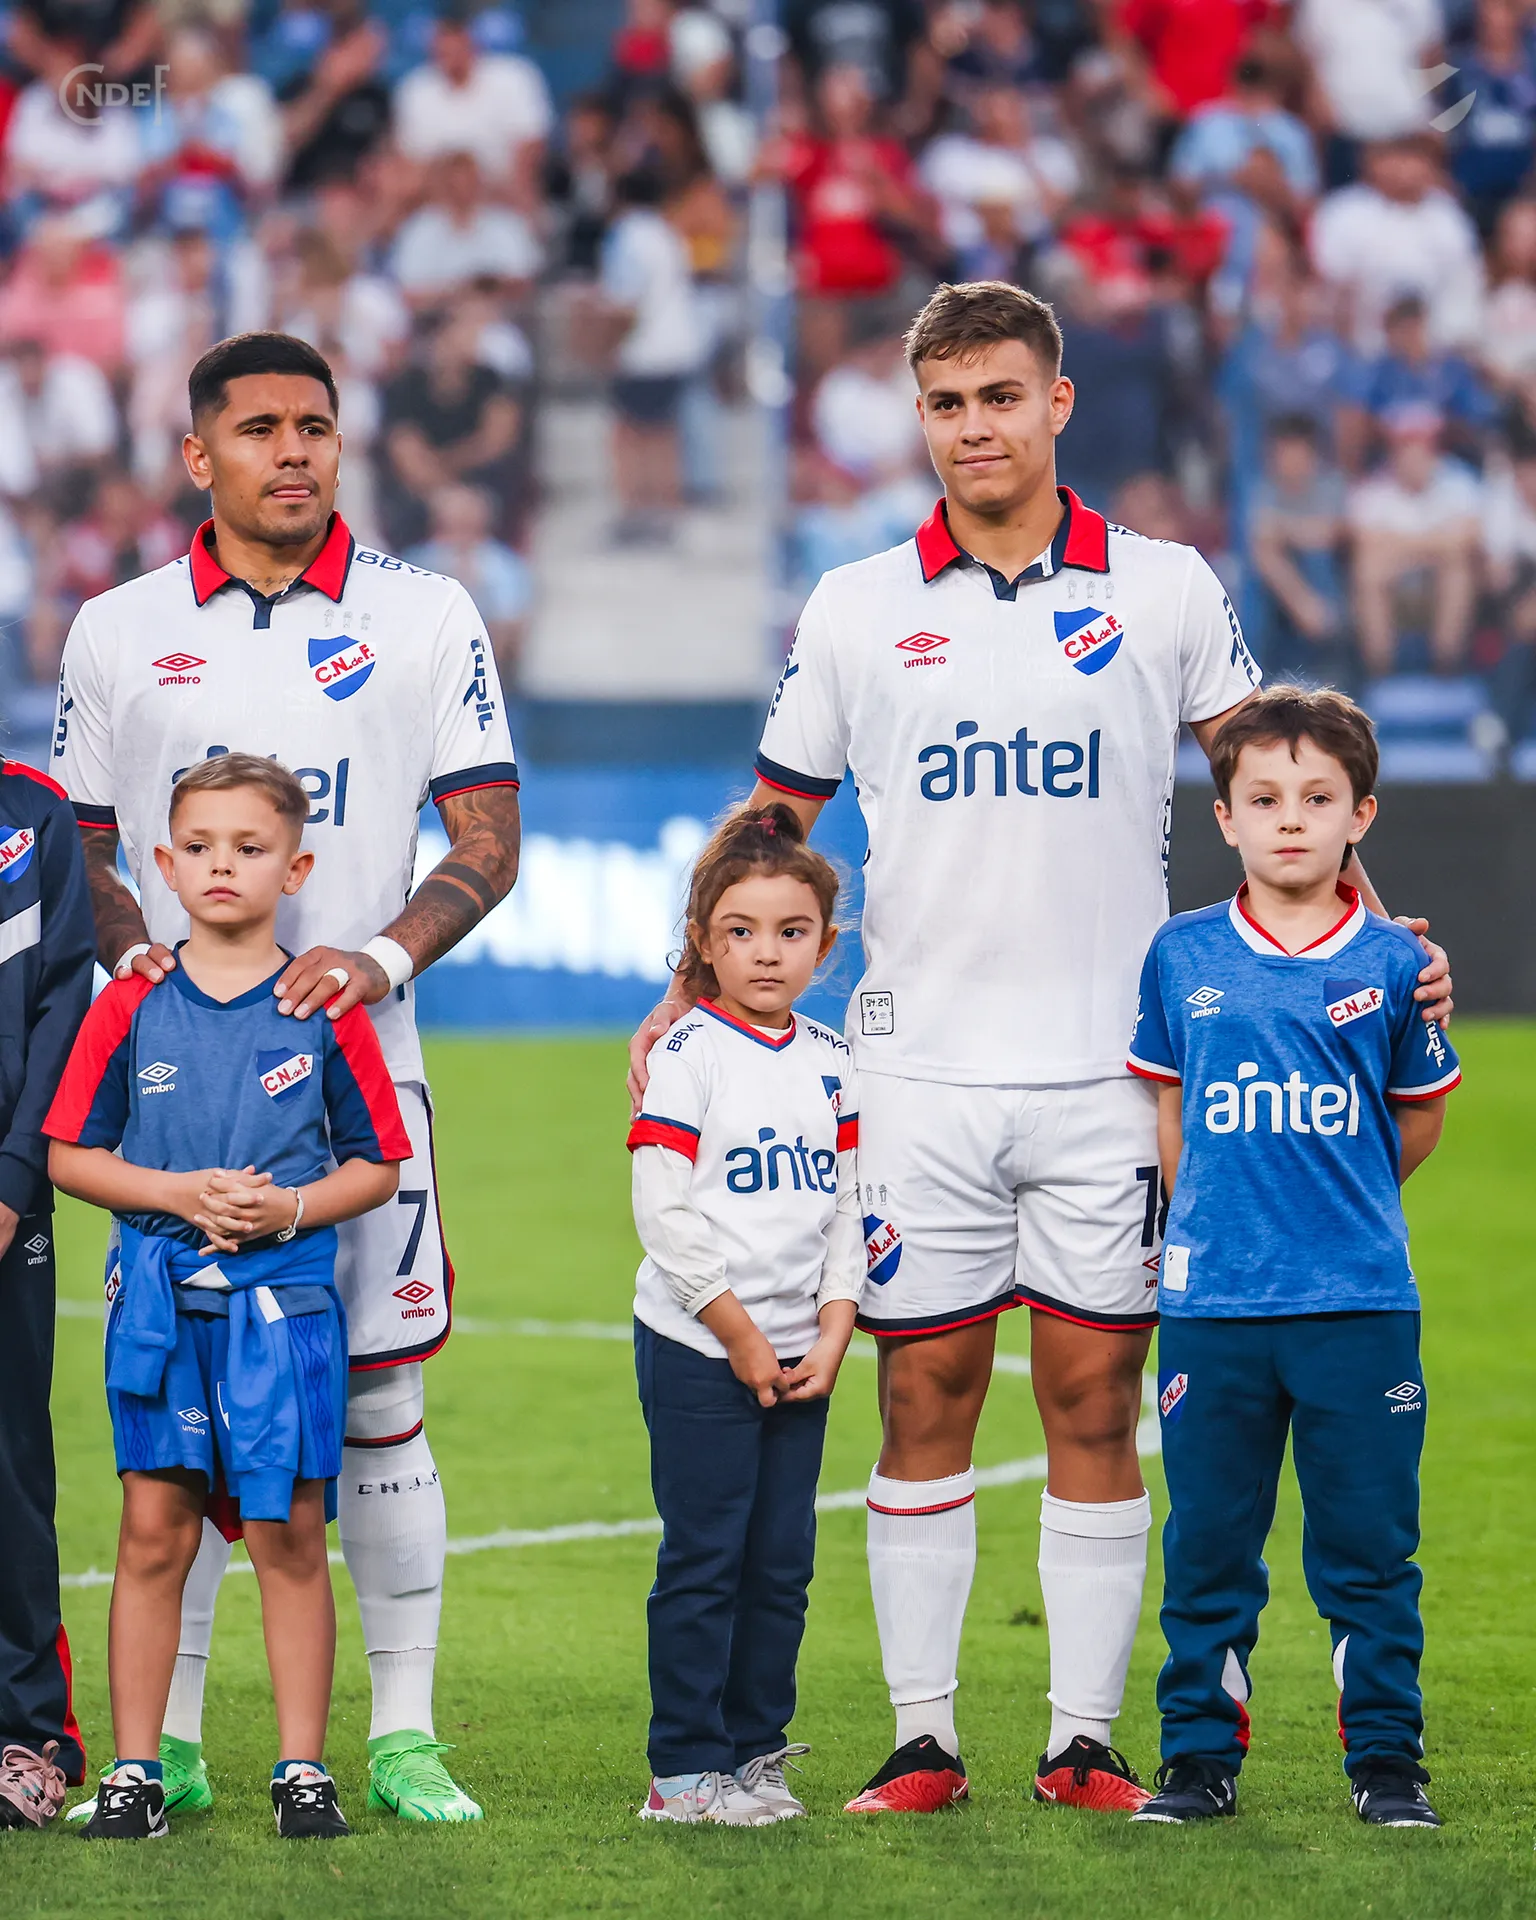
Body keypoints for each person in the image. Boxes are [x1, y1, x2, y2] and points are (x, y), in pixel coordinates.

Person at [627, 278, 1453, 1817]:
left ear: (1057, 402)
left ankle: (1084, 1740)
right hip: (913, 1075)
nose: (975, 428)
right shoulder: (856, 605)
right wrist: (689, 982)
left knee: (1093, 1401)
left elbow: (1281, 779)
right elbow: (777, 818)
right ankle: (922, 1742)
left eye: (1001, 396)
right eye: (946, 404)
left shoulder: (1167, 588)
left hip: (1112, 1075)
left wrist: (1378, 943)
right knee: (920, 1399)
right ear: (919, 417)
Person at [53, 330, 521, 1825]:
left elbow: (491, 839)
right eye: (258, 428)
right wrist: (129, 955)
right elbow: (84, 849)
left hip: (359, 1078)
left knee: (377, 1402)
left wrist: (376, 960)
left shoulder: (425, 612)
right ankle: (173, 1748)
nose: (294, 450)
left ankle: (405, 1737)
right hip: (171, 1082)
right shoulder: (117, 629)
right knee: (179, 1420)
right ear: (200, 455)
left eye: (314, 424)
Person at [47, 755, 412, 1841]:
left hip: (283, 1314)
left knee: (288, 1535)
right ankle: (136, 1773)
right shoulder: (130, 1003)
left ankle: (303, 1772)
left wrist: (287, 1210)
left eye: (250, 848)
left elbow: (377, 1166)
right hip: (159, 1306)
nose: (222, 866)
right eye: (200, 847)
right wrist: (175, 1192)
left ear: (294, 869)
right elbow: (69, 1153)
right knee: (153, 1531)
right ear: (162, 865)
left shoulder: (323, 1006)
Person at [1126, 686, 1458, 1828]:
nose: (1290, 820)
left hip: (1358, 1303)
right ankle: (1197, 1762)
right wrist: (1218, 1218)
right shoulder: (1182, 954)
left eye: (1318, 799)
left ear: (1361, 815)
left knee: (1370, 1551)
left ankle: (1388, 1766)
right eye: (1264, 799)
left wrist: (1339, 1201)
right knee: (1209, 1549)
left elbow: (1417, 1116)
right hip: (1213, 1307)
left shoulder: (1400, 963)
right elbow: (1173, 1118)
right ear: (1224, 817)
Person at [629, 804, 863, 1824]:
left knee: (780, 1566)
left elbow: (850, 1202)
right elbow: (664, 1212)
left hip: (801, 1354)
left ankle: (754, 1754)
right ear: (703, 942)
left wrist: (837, 1325)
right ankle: (683, 1772)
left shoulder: (832, 1056)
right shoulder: (688, 1054)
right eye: (741, 931)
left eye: (791, 931)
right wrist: (737, 1333)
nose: (767, 952)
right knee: (705, 1559)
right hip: (700, 1346)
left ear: (825, 944)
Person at [0, 758, 97, 1830]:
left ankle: (26, 1733)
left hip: (6, 1201)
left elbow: (64, 1003)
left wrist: (14, 1180)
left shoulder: (33, 814)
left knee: (10, 1471)